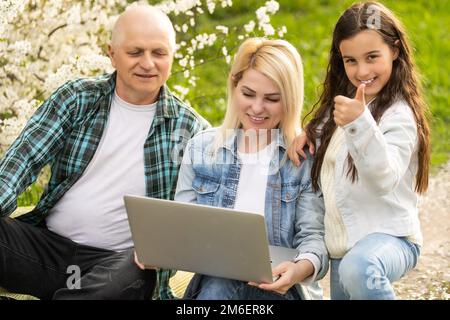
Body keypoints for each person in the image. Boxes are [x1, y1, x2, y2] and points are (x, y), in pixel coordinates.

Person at [0, 5, 209, 300]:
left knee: (136, 272)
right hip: (46, 248)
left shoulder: (192, 129)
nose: (147, 63)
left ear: (172, 56)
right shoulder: (76, 98)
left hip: (120, 265)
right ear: (112, 53)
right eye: (135, 52)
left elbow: (213, 208)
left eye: (159, 53)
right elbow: (21, 161)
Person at [287, 1, 430, 300]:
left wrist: (360, 124)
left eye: (372, 57)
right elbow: (333, 150)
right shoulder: (340, 109)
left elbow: (383, 178)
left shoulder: (399, 115)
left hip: (392, 240)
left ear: (395, 50)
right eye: (350, 60)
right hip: (345, 252)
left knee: (359, 267)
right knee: (354, 268)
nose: (361, 70)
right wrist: (309, 133)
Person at [174, 38, 328, 300]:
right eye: (248, 94)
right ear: (234, 87)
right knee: (219, 287)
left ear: (290, 99)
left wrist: (298, 269)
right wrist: (161, 251)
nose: (257, 108)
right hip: (215, 281)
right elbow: (181, 227)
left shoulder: (304, 158)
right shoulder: (201, 148)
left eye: (272, 99)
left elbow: (314, 239)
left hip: (281, 286)